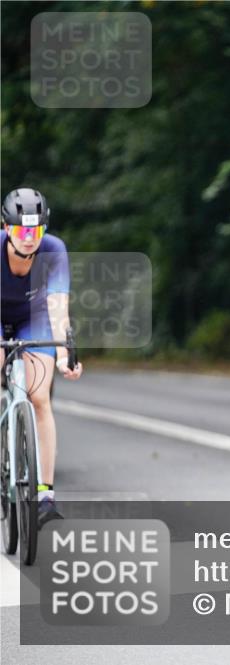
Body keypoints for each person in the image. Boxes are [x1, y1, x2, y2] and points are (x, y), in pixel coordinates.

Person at [0, 188, 83, 528]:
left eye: (37, 231)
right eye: (22, 231)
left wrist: (64, 354)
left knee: (39, 398)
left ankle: (45, 494)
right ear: (7, 229)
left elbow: (57, 305)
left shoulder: (54, 250)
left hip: (33, 317)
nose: (30, 239)